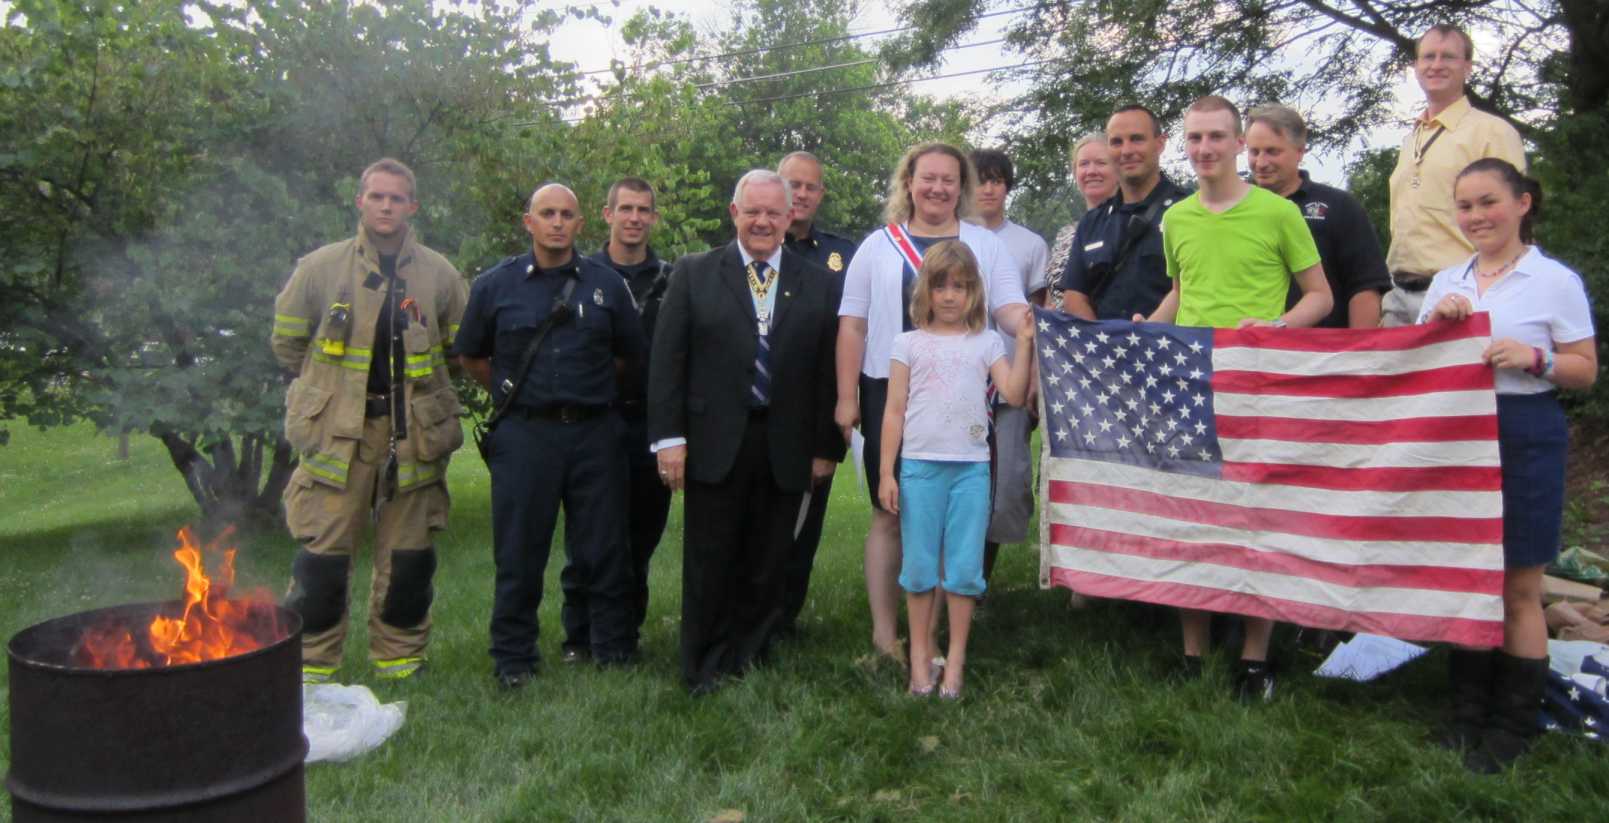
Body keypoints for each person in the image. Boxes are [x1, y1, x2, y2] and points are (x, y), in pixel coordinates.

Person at [1140, 95, 1332, 701]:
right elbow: (1181, 290)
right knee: (1193, 517)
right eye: (1195, 138)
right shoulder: (1176, 218)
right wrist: (1152, 329)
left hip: (1256, 386)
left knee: (1256, 520)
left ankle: (1255, 660)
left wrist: (1279, 329)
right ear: (1184, 143)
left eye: (1217, 138)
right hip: (1189, 383)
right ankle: (1194, 654)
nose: (1205, 150)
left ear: (1237, 143)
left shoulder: (1279, 213)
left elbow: (1319, 296)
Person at [1417, 158, 1596, 773]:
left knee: (1519, 585)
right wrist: (1439, 326)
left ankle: (1513, 724)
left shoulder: (1555, 281)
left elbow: (1585, 369)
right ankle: (1466, 714)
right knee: (1470, 577)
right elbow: (1414, 364)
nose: (1476, 216)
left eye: (1488, 202)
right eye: (1465, 206)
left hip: (1524, 432)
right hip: (1457, 435)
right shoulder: (1446, 280)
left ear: (1522, 203)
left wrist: (1533, 357)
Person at [648, 170, 845, 694]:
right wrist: (669, 439)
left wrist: (827, 447)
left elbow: (828, 369)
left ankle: (749, 656)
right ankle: (702, 664)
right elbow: (668, 360)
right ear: (734, 213)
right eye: (752, 211)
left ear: (789, 218)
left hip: (786, 443)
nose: (762, 221)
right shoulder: (694, 273)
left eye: (773, 213)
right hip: (714, 441)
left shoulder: (819, 282)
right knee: (711, 558)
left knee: (768, 557)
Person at [272, 158, 467, 684]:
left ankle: (399, 661)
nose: (386, 206)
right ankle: (312, 666)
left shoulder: (439, 274)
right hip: (340, 433)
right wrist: (327, 394)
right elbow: (288, 344)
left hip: (414, 434)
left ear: (413, 207)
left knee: (409, 556)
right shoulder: (320, 268)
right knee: (324, 555)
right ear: (360, 201)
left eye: (397, 198)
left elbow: (460, 349)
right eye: (377, 197)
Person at [837, 142, 1029, 664]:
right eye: (928, 178)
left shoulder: (984, 246)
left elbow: (1009, 308)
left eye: (949, 180)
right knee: (889, 512)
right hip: (890, 390)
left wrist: (1028, 327)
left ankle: (931, 636)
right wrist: (846, 396)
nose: (938, 188)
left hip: (963, 395)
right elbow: (852, 324)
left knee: (949, 516)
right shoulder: (878, 245)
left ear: (960, 187)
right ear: (909, 182)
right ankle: (884, 635)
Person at [455, 184, 647, 689]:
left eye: (566, 214)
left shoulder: (606, 285)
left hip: (595, 433)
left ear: (581, 224)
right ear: (529, 222)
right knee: (519, 551)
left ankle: (611, 648)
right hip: (526, 435)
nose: (557, 223)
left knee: (604, 548)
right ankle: (513, 658)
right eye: (547, 214)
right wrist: (515, 394)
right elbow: (472, 356)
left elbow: (629, 356)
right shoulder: (495, 285)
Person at [878, 240, 1035, 699]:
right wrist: (887, 472)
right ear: (925, 290)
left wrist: (1023, 344)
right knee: (920, 568)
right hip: (919, 470)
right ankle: (920, 660)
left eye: (961, 287)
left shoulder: (986, 342)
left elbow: (1011, 391)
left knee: (964, 570)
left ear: (974, 294)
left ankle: (957, 662)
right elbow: (893, 411)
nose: (950, 296)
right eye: (941, 285)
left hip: (970, 470)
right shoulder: (907, 343)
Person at [558, 177, 674, 664]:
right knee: (588, 537)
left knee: (640, 538)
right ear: (606, 215)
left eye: (643, 210)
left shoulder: (672, 279)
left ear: (653, 218)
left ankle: (625, 633)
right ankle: (578, 637)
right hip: (591, 424)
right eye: (624, 208)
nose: (634, 218)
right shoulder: (577, 275)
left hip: (649, 425)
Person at [1383, 24, 1526, 327]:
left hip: (1461, 295)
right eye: (1428, 56)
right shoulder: (1412, 138)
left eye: (1448, 57)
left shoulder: (1491, 132)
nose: (1436, 65)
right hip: (1398, 294)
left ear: (1467, 67)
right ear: (1416, 66)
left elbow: (1514, 221)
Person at [775, 151, 857, 637]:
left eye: (810, 186)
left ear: (821, 194)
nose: (801, 194)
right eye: (793, 184)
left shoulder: (843, 255)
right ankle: (744, 613)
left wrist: (832, 431)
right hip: (757, 407)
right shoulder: (752, 246)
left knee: (804, 523)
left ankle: (783, 618)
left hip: (815, 408)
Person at [968, 148, 1049, 585]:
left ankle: (980, 581)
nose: (988, 188)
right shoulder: (950, 236)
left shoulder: (1030, 244)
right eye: (980, 179)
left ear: (1007, 187)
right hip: (959, 380)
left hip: (1010, 383)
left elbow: (1036, 321)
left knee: (1003, 485)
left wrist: (1033, 379)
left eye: (997, 180)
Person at [1246, 104, 1391, 328]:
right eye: (1254, 152)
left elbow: (1365, 287)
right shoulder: (1234, 209)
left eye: (1273, 151)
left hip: (1323, 354)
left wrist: (1360, 352)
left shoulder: (1339, 207)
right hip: (1249, 350)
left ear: (1300, 151)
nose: (1261, 162)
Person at [1060, 105, 1188, 322]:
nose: (1127, 151)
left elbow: (1192, 287)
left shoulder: (1189, 211)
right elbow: (1074, 296)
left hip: (1170, 347)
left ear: (1160, 143)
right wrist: (1103, 342)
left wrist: (1144, 338)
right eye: (1117, 142)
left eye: (1137, 139)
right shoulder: (1092, 223)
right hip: (1105, 351)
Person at [1046, 133, 1117, 355]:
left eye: (1101, 163)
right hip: (1059, 353)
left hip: (1104, 350)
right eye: (1084, 164)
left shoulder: (1128, 228)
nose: (1091, 171)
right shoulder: (1065, 234)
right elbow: (1052, 294)